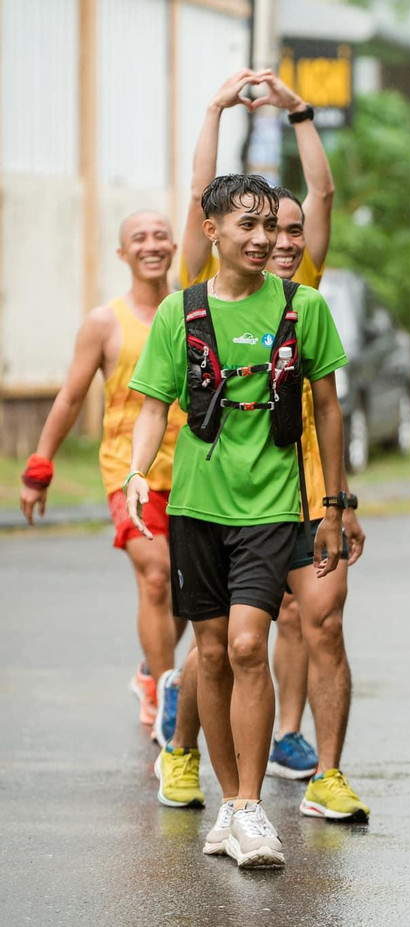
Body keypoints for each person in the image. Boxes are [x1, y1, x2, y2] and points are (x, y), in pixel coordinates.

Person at [158, 68, 370, 824]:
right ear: (228, 233)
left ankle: (318, 765)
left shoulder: (300, 290)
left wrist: (301, 112)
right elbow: (201, 192)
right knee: (223, 641)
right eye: (261, 228)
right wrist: (216, 108)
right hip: (222, 484)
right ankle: (184, 745)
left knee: (321, 620)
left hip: (304, 485)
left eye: (288, 230)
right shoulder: (204, 281)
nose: (277, 240)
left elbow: (325, 193)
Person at [125, 173, 348, 869]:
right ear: (212, 230)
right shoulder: (180, 312)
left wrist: (335, 505)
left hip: (272, 507)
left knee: (251, 644)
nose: (261, 238)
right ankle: (230, 803)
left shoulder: (303, 306)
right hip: (195, 507)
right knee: (214, 652)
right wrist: (137, 470)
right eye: (246, 225)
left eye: (270, 225)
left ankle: (250, 804)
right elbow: (154, 405)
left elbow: (328, 408)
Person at [19, 211, 189, 739]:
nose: (151, 245)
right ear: (122, 253)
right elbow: (71, 397)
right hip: (128, 471)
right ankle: (166, 694)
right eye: (139, 238)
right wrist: (40, 467)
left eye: (160, 236)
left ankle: (149, 671)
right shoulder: (104, 322)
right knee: (156, 576)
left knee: (188, 588)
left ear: (174, 246)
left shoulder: (194, 311)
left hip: (193, 472)